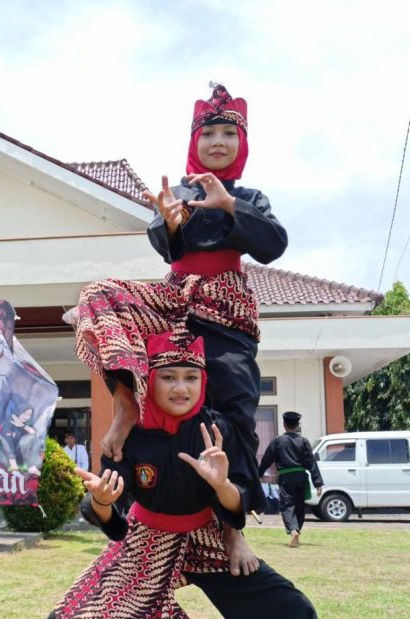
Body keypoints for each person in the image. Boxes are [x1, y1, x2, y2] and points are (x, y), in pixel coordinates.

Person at [0, 333, 393, 619]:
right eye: (168, 377)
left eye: (191, 377)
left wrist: (223, 487)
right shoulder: (131, 434)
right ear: (150, 382)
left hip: (208, 538)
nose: (180, 387)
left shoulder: (218, 428)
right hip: (146, 539)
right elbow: (109, 516)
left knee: (290, 608)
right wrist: (101, 503)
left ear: (203, 382)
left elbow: (240, 501)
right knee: (69, 614)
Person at [64, 82, 288, 561]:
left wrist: (230, 206)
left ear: (241, 143)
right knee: (98, 298)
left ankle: (233, 528)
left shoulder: (249, 195)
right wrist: (168, 223)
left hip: (227, 311)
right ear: (195, 142)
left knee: (238, 412)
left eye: (229, 133)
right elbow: (166, 246)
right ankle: (126, 405)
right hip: (174, 298)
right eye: (209, 134)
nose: (219, 142)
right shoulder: (179, 192)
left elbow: (273, 245)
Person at [258, 411, 323, 547]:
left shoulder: (277, 441)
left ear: (284, 424)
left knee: (287, 505)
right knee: (299, 506)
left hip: (286, 477)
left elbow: (267, 459)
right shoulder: (304, 441)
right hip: (301, 477)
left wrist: (258, 475)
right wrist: (318, 483)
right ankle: (297, 529)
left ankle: (293, 530)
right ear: (297, 425)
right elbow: (311, 462)